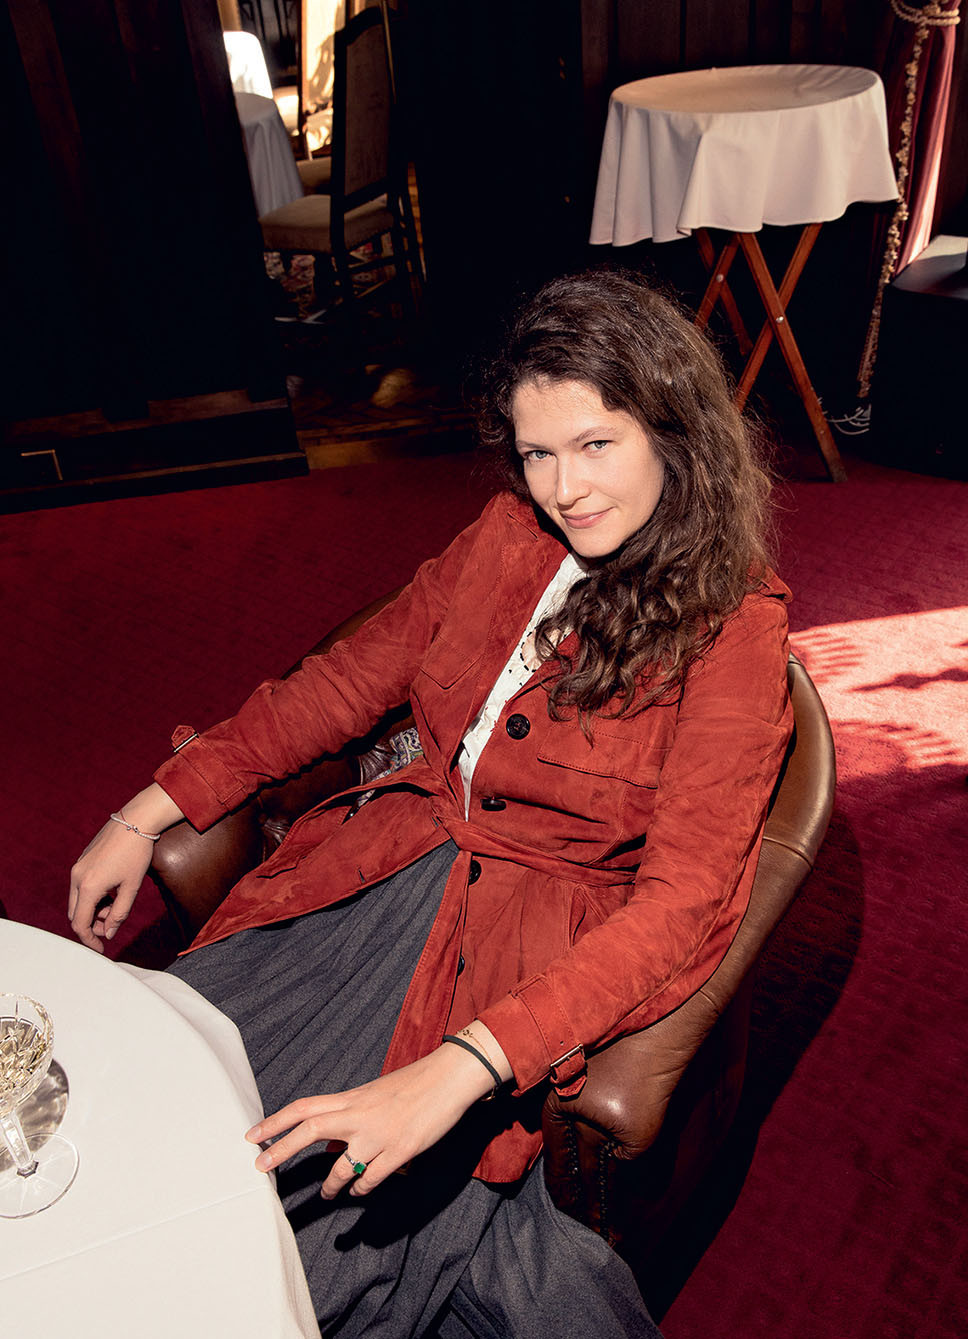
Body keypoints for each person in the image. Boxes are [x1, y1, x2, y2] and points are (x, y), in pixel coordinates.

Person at [69, 271, 792, 1338]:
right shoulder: (506, 537)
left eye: (596, 444)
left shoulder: (736, 632)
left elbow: (680, 906)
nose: (564, 488)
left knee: (281, 1250)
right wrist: (147, 808)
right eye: (536, 453)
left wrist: (462, 1069)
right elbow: (339, 685)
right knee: (151, 1120)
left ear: (673, 433)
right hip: (366, 879)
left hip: (505, 960)